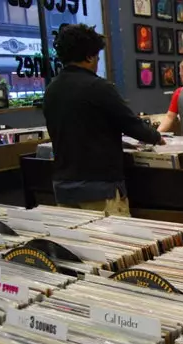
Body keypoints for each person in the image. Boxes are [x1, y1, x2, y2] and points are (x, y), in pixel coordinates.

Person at [43, 24, 163, 216]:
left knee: (78, 243)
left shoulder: (51, 90)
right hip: (99, 186)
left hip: (63, 186)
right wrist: (156, 137)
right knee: (118, 242)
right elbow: (130, 124)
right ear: (89, 56)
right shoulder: (99, 87)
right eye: (98, 57)